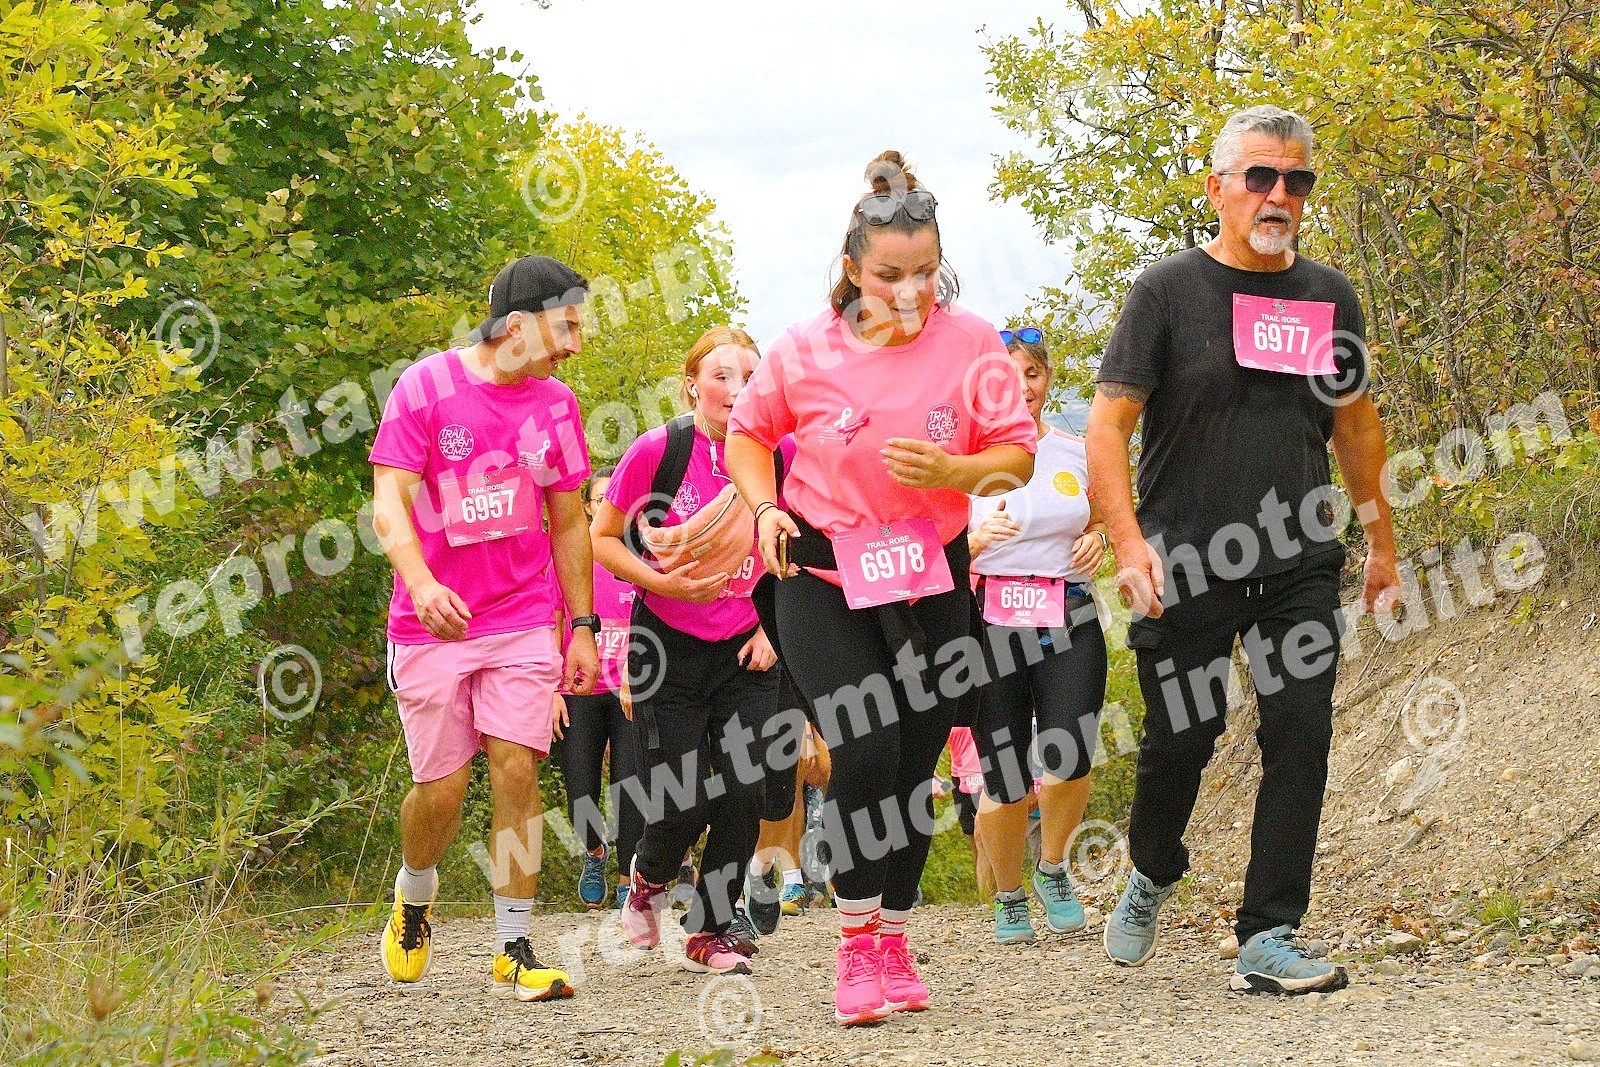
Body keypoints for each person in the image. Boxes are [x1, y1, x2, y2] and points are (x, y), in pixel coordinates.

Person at [1087, 105, 1401, 995]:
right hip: (1186, 560)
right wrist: (1129, 544)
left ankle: (1269, 931)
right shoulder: (1167, 291)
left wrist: (1382, 542)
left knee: (1301, 729)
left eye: (1296, 180)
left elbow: (1356, 426)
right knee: (1181, 740)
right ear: (1217, 187)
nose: (1278, 195)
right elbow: (1107, 427)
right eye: (1260, 177)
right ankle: (1153, 867)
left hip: (1300, 557)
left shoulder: (1329, 295)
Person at [725, 151, 1037, 1026]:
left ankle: (894, 938)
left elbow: (1015, 455)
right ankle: (855, 944)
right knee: (865, 746)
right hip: (821, 573)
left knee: (912, 762)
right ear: (852, 268)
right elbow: (748, 435)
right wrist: (763, 507)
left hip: (931, 575)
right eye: (890, 275)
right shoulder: (803, 348)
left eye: (925, 273)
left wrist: (954, 470)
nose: (909, 293)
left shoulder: (973, 343)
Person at [370, 254, 598, 1002]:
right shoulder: (424, 387)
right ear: (518, 324)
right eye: (567, 327)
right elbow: (389, 501)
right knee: (441, 789)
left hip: (523, 615)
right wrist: (422, 583)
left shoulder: (558, 405)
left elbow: (571, 521)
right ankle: (415, 892)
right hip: (434, 621)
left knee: (517, 766)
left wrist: (583, 624)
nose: (575, 345)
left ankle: (514, 946)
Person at [590, 326, 791, 977]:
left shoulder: (779, 454)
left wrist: (774, 631)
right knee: (683, 798)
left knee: (744, 787)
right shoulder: (661, 450)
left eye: (749, 377)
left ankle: (709, 926)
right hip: (667, 647)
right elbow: (602, 539)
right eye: (721, 376)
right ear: (691, 387)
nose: (736, 389)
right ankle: (648, 879)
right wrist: (663, 582)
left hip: (747, 647)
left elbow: (808, 543)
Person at [967, 328, 1110, 944]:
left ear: (1047, 379)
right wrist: (971, 542)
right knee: (1002, 773)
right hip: (990, 620)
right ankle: (1008, 893)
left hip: (1067, 612)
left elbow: (1106, 511)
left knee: (1070, 752)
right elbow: (926, 538)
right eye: (1006, 377)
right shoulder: (964, 456)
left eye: (1031, 373)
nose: (1021, 388)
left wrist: (1099, 536)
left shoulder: (1076, 450)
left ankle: (1052, 868)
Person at [550, 466, 644, 910]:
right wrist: (551, 689)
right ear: (586, 506)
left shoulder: (640, 556)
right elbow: (553, 621)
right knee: (580, 791)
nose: (608, 504)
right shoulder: (570, 558)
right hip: (578, 688)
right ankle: (594, 852)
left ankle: (629, 878)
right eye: (599, 497)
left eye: (615, 497)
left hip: (630, 690)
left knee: (630, 786)